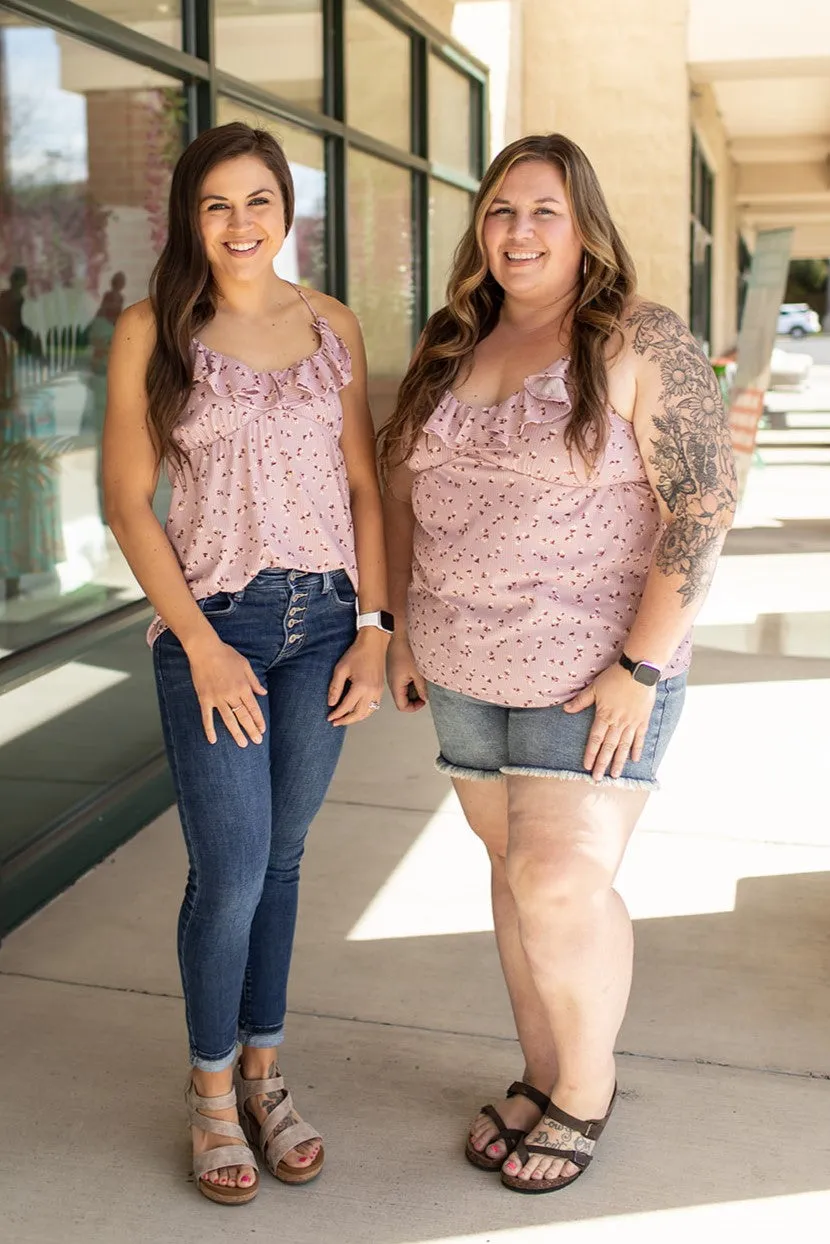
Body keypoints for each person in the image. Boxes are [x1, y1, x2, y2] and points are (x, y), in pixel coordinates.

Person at [380, 133, 736, 1195]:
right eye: (498, 211)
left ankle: (583, 1088)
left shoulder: (636, 337)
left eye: (542, 210)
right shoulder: (454, 342)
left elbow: (703, 505)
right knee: (510, 876)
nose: (517, 230)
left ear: (583, 225)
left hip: (594, 669)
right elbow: (403, 493)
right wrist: (397, 626)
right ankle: (539, 1072)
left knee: (557, 878)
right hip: (457, 661)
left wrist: (640, 662)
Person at [103, 123, 390, 1206]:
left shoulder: (332, 325)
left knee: (282, 860)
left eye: (258, 199)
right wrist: (199, 641)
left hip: (323, 623)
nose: (239, 222)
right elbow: (126, 501)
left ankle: (266, 1070)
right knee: (228, 869)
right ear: (189, 215)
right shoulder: (153, 329)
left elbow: (365, 488)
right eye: (216, 202)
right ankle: (211, 1089)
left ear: (287, 209)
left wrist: (375, 626)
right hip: (211, 619)